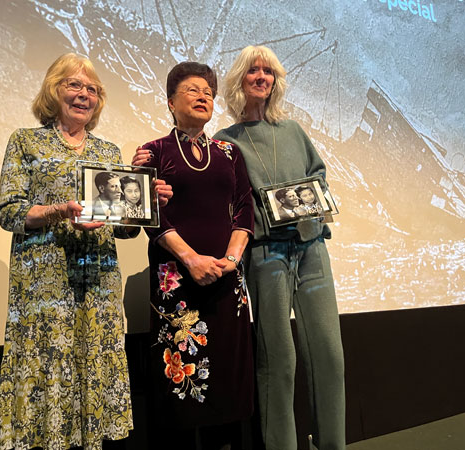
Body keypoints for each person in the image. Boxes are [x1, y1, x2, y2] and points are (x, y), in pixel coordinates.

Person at [0, 53, 171, 450]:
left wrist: (148, 204)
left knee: (94, 369)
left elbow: (124, 229)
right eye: (74, 85)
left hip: (99, 286)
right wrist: (59, 211)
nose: (84, 94)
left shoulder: (108, 152)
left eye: (92, 89)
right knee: (47, 373)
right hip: (45, 286)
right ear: (54, 90)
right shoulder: (26, 142)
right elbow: (9, 212)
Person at [213, 46, 346, 450]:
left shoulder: (293, 131)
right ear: (240, 80)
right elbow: (227, 201)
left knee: (329, 354)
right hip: (266, 254)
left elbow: (318, 176)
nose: (261, 77)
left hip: (310, 249)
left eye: (268, 71)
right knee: (279, 361)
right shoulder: (225, 141)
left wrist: (311, 204)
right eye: (253, 70)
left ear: (276, 81)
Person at [134, 62, 255, 449]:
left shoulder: (230, 152)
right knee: (181, 389)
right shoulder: (153, 152)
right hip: (177, 282)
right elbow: (151, 216)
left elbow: (244, 209)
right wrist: (190, 259)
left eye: (208, 92)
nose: (203, 96)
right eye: (192, 90)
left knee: (227, 378)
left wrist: (231, 262)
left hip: (226, 281)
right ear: (171, 102)